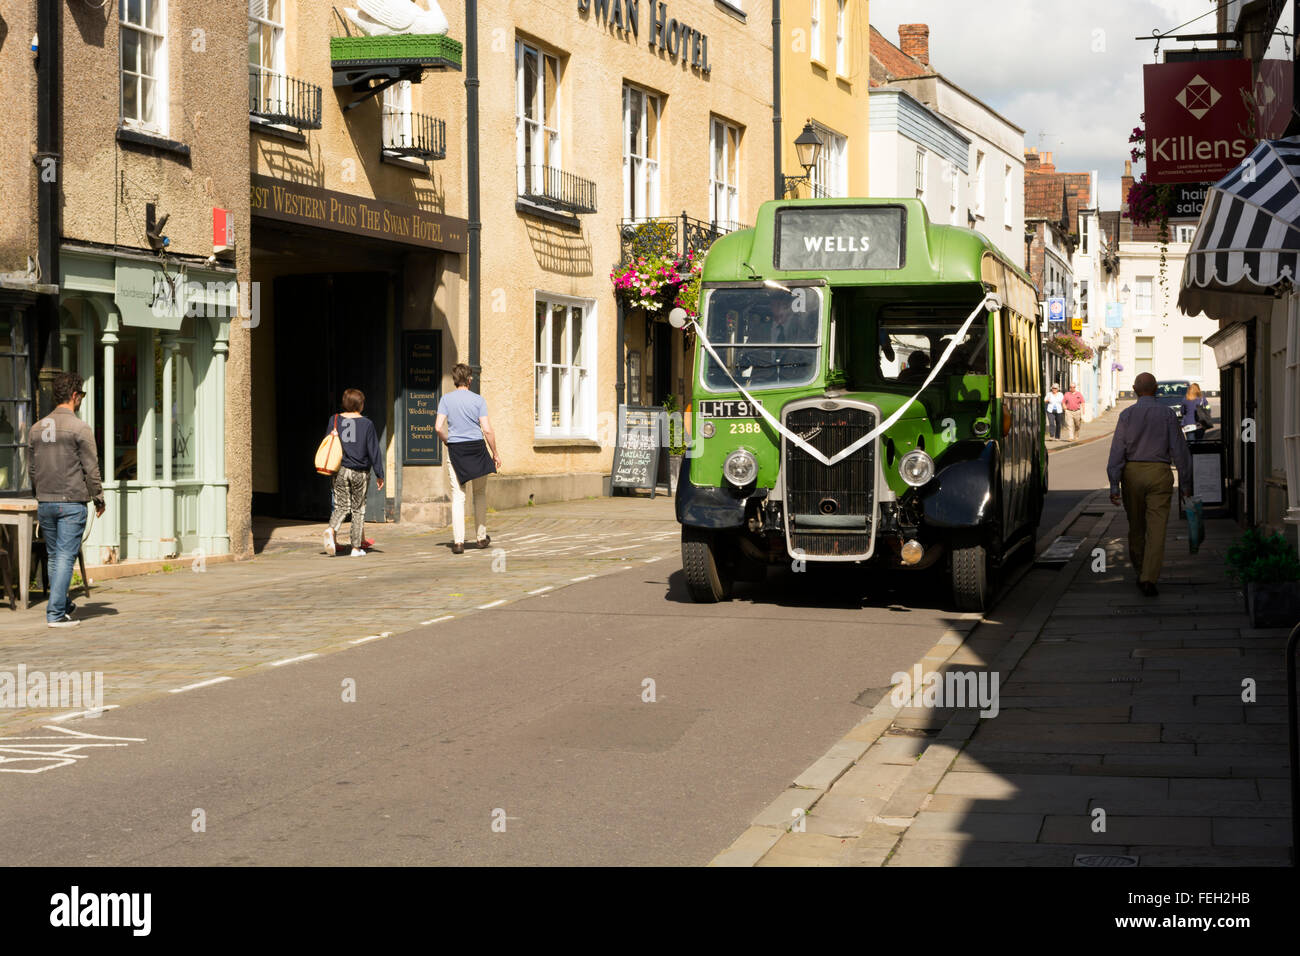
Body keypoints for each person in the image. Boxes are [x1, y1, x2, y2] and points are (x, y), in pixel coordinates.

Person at [28, 372, 104, 628]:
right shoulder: (80, 428)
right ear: (74, 395)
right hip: (71, 501)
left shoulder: (36, 428)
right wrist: (98, 498)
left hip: (46, 501)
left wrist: (38, 494)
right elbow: (91, 469)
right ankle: (56, 613)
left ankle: (62, 603)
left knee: (54, 555)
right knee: (64, 557)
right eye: (81, 395)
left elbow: (32, 469)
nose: (81, 399)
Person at [1107, 372, 1193, 597]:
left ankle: (1140, 571)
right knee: (1157, 529)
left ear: (1135, 389)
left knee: (1136, 527)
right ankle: (1149, 577)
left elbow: (1117, 450)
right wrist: (1185, 482)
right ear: (1156, 389)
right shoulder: (1166, 414)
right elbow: (1179, 450)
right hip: (1159, 472)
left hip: (1132, 473)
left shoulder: (1126, 415)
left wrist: (1114, 484)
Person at [436, 363, 501, 554]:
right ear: (470, 380)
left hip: (457, 449)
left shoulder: (446, 399)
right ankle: (481, 538)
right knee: (479, 493)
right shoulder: (478, 400)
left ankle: (458, 543)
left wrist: (448, 441)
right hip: (477, 448)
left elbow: (438, 427)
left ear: (455, 380)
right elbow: (487, 429)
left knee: (458, 495)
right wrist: (495, 453)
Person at [323, 388, 384, 558]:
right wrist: (380, 473)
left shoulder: (334, 420)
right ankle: (356, 548)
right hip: (360, 471)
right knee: (358, 509)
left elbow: (329, 443)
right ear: (360, 405)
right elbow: (374, 450)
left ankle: (331, 528)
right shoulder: (367, 424)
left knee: (342, 506)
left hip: (340, 470)